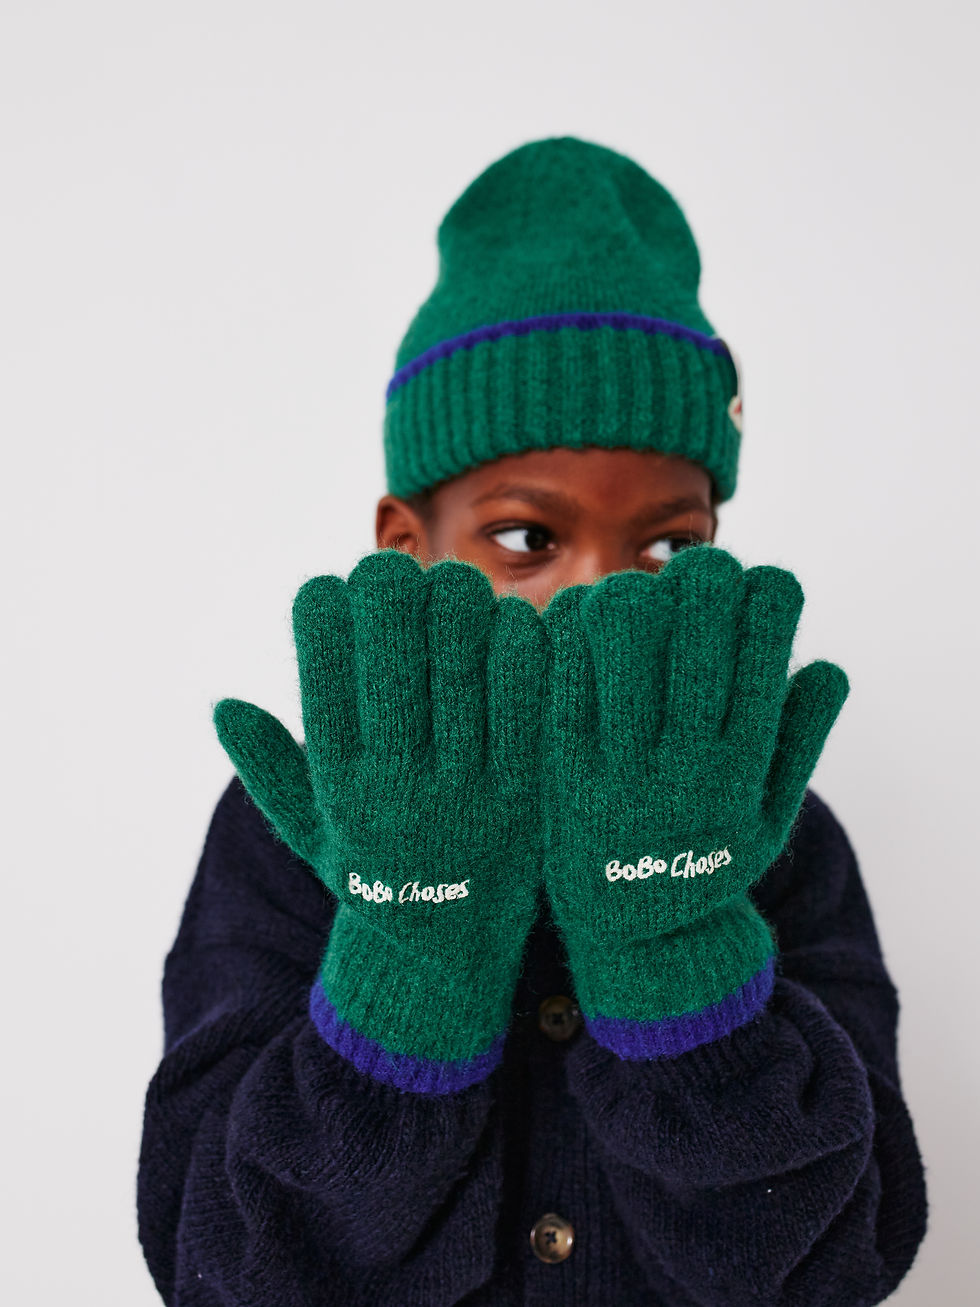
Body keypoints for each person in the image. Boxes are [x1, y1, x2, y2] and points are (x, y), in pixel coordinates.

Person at [137, 136, 927, 1305]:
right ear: (409, 545)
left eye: (667, 544)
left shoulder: (773, 829)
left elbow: (833, 1262)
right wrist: (411, 944)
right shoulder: (297, 832)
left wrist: (674, 939)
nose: (604, 594)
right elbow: (227, 1265)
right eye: (526, 537)